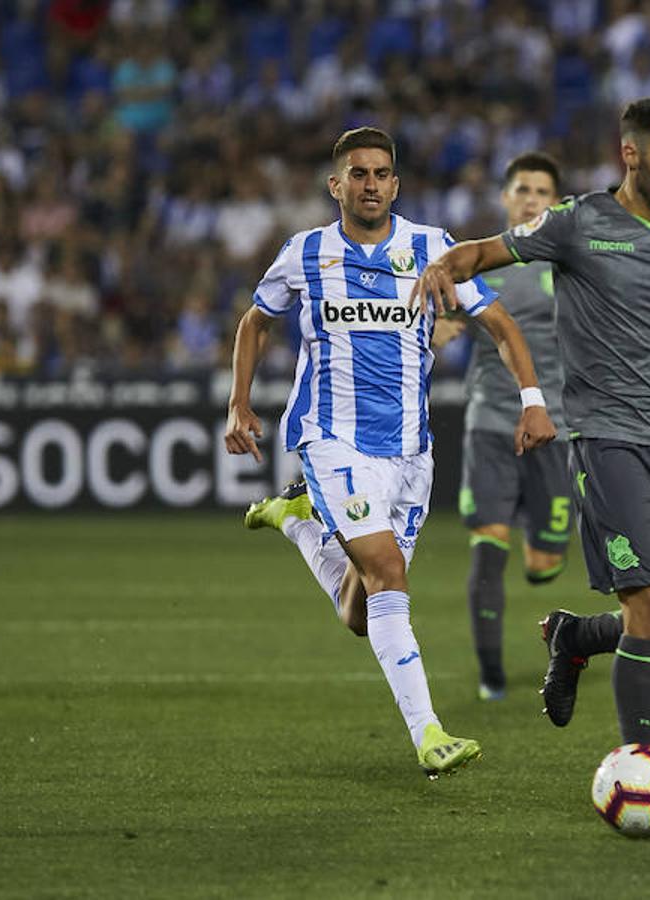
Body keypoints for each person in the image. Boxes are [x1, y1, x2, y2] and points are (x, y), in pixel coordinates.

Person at [411, 98, 650, 832]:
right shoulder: (578, 222)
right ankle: (640, 772)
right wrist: (444, 269)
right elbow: (481, 254)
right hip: (606, 441)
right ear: (632, 155)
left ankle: (574, 636)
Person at [223, 126, 556, 780]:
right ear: (336, 184)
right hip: (332, 440)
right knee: (389, 577)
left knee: (360, 608)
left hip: (410, 453)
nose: (370, 183)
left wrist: (533, 399)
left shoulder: (432, 249)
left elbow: (498, 323)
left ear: (395, 185)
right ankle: (428, 733)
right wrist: (240, 403)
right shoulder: (306, 253)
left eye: (381, 173)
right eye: (359, 173)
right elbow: (256, 320)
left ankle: (296, 523)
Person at [431, 152, 574, 702]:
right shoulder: (481, 261)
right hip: (491, 421)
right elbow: (447, 314)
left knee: (544, 566)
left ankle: (538, 547)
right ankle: (491, 676)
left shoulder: (571, 266)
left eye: (543, 190)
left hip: (555, 430)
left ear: (556, 203)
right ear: (506, 198)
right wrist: (442, 330)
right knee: (487, 548)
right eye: (522, 189)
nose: (532, 197)